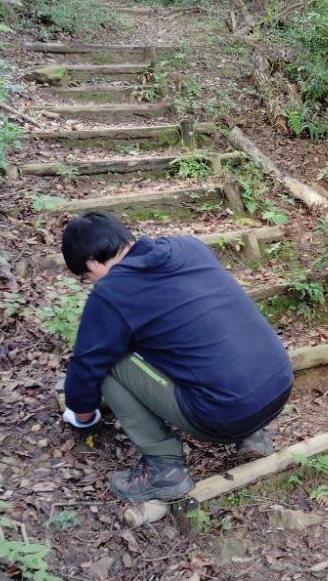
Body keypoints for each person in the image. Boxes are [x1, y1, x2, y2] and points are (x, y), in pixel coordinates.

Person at [59, 211, 293, 503]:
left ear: (92, 262)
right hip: (278, 385)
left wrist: (82, 416)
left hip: (223, 414)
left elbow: (87, 366)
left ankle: (163, 468)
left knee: (109, 362)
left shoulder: (111, 291)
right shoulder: (188, 247)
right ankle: (253, 434)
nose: (91, 283)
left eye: (86, 278)